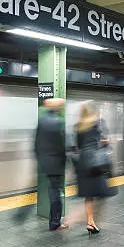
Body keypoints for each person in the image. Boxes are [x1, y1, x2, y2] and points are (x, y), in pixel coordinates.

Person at [74, 102, 113, 235]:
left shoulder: (78, 126)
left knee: (88, 195)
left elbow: (78, 145)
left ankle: (90, 221)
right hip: (95, 163)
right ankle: (90, 220)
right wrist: (106, 142)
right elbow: (101, 141)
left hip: (83, 162)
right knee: (103, 193)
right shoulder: (97, 123)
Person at [34, 98, 69, 231]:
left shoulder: (42, 121)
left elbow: (36, 143)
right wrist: (64, 162)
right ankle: (55, 223)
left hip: (45, 163)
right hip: (56, 164)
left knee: (52, 191)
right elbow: (62, 146)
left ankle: (54, 222)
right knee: (56, 194)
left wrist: (40, 159)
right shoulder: (59, 122)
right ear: (58, 109)